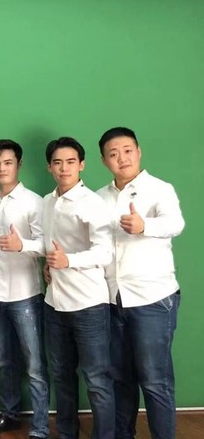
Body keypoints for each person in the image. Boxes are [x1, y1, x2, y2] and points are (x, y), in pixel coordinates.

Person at [97, 127, 184, 439]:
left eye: (127, 150)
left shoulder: (159, 189)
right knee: (120, 378)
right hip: (113, 299)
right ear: (104, 161)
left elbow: (176, 223)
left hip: (153, 299)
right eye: (113, 153)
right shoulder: (99, 198)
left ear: (138, 152)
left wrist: (144, 225)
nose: (122, 158)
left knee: (155, 379)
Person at [42, 137, 114, 439]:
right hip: (54, 303)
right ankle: (67, 433)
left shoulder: (92, 203)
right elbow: (49, 245)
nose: (64, 168)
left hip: (89, 304)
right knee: (61, 375)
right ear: (49, 167)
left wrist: (67, 260)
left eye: (71, 162)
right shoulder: (47, 201)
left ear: (81, 165)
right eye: (57, 162)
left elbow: (105, 251)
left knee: (97, 379)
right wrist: (26, 248)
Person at [0, 140, 49, 439]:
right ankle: (9, 415)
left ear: (19, 164)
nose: (2, 168)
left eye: (8, 162)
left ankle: (41, 426)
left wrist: (22, 245)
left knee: (34, 365)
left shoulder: (35, 202)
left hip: (25, 295)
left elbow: (46, 245)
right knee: (5, 361)